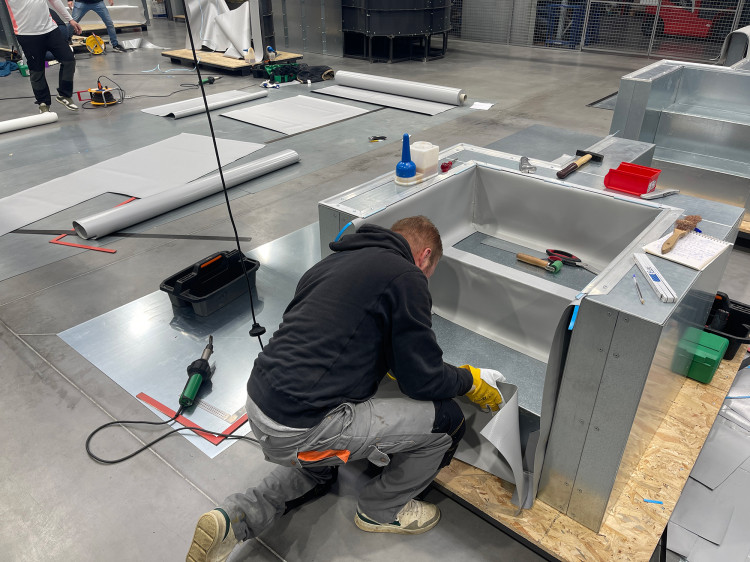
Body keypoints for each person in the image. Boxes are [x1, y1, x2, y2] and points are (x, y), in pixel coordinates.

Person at [186, 216, 505, 562]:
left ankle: (237, 516)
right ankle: (380, 509)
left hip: (260, 403)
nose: (425, 279)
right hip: (304, 428)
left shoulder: (331, 263)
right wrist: (468, 380)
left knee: (318, 468)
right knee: (447, 420)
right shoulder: (407, 275)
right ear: (425, 256)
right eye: (430, 272)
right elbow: (422, 380)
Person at [5, 0, 82, 112]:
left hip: (50, 29)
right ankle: (43, 103)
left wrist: (70, 19)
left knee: (69, 60)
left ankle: (64, 95)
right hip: (27, 34)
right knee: (37, 71)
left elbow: (54, 1)